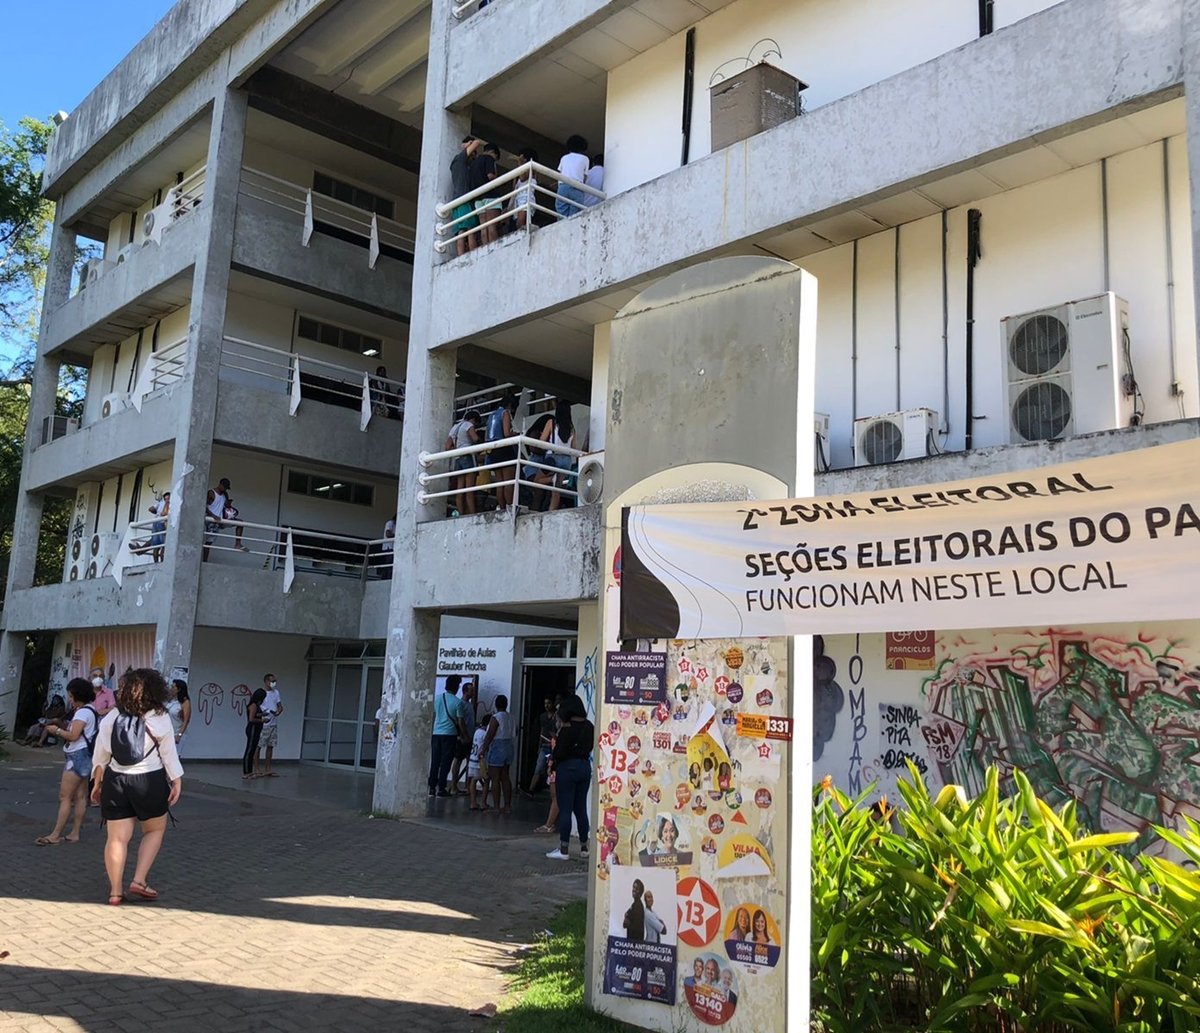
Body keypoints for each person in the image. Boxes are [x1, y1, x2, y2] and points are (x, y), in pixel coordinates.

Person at [90, 668, 183, 906]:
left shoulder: (111, 717)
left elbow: (101, 755)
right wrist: (176, 780)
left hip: (116, 781)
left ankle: (115, 892)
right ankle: (139, 880)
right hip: (149, 781)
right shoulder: (160, 717)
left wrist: (97, 782)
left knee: (116, 839)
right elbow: (169, 755)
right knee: (154, 830)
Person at [35, 678, 97, 845]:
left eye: (70, 695)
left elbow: (73, 735)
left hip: (76, 756)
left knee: (65, 797)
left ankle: (55, 834)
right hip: (86, 756)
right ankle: (75, 832)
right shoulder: (92, 710)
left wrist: (57, 731)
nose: (69, 699)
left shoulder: (82, 713)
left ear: (76, 695)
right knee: (81, 796)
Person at [546, 693, 593, 860]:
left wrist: (554, 753)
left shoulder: (566, 728)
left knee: (565, 807)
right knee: (580, 809)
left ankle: (564, 849)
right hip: (584, 767)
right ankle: (584, 847)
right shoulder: (590, 726)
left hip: (567, 768)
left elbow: (559, 752)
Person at [428, 675, 466, 797]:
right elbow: (460, 722)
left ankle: (432, 788)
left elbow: (433, 716)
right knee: (446, 762)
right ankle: (441, 788)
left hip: (436, 733)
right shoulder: (458, 702)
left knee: (435, 761)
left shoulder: (437, 699)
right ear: (456, 687)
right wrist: (465, 735)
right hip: (449, 734)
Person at [480, 694, 515, 813]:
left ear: (496, 704)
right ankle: (507, 805)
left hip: (497, 746)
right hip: (509, 745)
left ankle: (496, 807)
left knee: (495, 778)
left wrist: (483, 749)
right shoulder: (511, 717)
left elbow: (490, 735)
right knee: (505, 776)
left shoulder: (495, 717)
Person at [485, 394, 520, 510]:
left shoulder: (491, 415)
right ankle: (510, 506)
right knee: (508, 481)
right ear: (510, 405)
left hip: (493, 449)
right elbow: (506, 433)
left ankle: (502, 507)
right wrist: (516, 434)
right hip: (504, 448)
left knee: (500, 482)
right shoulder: (505, 413)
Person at [449, 135, 481, 255]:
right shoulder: (460, 159)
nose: (474, 156)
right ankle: (472, 254)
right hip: (463, 199)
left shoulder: (458, 164)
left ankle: (461, 256)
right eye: (473, 153)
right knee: (469, 229)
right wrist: (467, 145)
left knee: (461, 230)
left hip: (457, 200)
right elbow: (477, 142)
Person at [446, 409, 481, 515]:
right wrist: (480, 441)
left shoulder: (454, 428)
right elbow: (475, 439)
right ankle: (472, 513)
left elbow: (447, 446)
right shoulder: (468, 425)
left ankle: (461, 513)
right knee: (469, 488)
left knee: (460, 488)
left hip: (457, 458)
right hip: (468, 456)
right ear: (474, 420)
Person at [472, 143, 504, 245]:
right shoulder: (489, 159)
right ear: (493, 153)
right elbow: (490, 176)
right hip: (490, 196)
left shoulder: (474, 163)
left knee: (483, 229)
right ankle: (494, 248)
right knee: (492, 226)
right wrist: (498, 178)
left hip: (478, 198)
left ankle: (484, 249)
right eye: (496, 157)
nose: (495, 159)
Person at [526, 695, 558, 795]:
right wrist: (539, 746)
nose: (547, 705)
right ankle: (531, 789)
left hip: (553, 746)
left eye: (548, 703)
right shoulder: (542, 717)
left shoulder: (557, 716)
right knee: (539, 767)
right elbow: (542, 731)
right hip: (544, 746)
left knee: (551, 769)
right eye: (545, 703)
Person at [449, 679, 477, 793]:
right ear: (465, 691)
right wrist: (462, 735)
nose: (473, 693)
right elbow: (459, 721)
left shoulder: (470, 705)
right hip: (462, 738)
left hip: (470, 737)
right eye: (471, 690)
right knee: (458, 760)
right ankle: (454, 785)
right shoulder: (460, 704)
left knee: (470, 761)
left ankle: (468, 786)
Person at [556, 135, 590, 218]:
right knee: (575, 215)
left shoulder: (564, 158)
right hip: (577, 187)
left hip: (563, 186)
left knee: (561, 211)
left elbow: (560, 173)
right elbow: (584, 177)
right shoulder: (585, 159)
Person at [257, 674, 284, 777]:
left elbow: (280, 706)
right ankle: (257, 768)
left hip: (273, 723)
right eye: (272, 681)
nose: (273, 683)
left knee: (270, 746)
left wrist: (277, 712)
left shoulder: (276, 692)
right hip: (264, 723)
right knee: (259, 746)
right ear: (266, 681)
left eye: (275, 681)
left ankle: (268, 768)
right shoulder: (261, 693)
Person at [242, 680, 267, 780]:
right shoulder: (253, 705)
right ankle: (246, 772)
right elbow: (251, 718)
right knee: (249, 749)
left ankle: (250, 771)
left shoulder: (257, 706)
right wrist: (262, 720)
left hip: (256, 729)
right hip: (252, 728)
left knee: (253, 749)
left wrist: (262, 714)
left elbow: (256, 714)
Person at [510, 147, 538, 231]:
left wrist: (520, 163)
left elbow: (523, 178)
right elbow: (514, 187)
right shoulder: (522, 170)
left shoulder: (531, 168)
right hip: (519, 199)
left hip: (526, 197)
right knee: (518, 223)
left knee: (520, 222)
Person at [165, 678, 191, 757]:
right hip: (168, 732)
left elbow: (186, 721)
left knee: (173, 757)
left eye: (173, 687)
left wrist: (179, 735)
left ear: (179, 689)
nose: (171, 689)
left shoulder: (185, 703)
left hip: (176, 733)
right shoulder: (172, 700)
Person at [467, 717, 488, 811]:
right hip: (481, 760)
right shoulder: (485, 734)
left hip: (473, 759)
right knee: (487, 780)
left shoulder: (477, 731)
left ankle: (473, 802)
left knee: (473, 781)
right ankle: (483, 803)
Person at [148, 491, 170, 562]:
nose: (168, 500)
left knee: (156, 546)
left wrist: (157, 513)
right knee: (163, 545)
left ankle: (156, 563)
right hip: (161, 524)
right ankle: (162, 563)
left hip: (155, 523)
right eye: (167, 498)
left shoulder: (160, 503)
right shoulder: (168, 504)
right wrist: (160, 513)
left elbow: (150, 509)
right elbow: (164, 513)